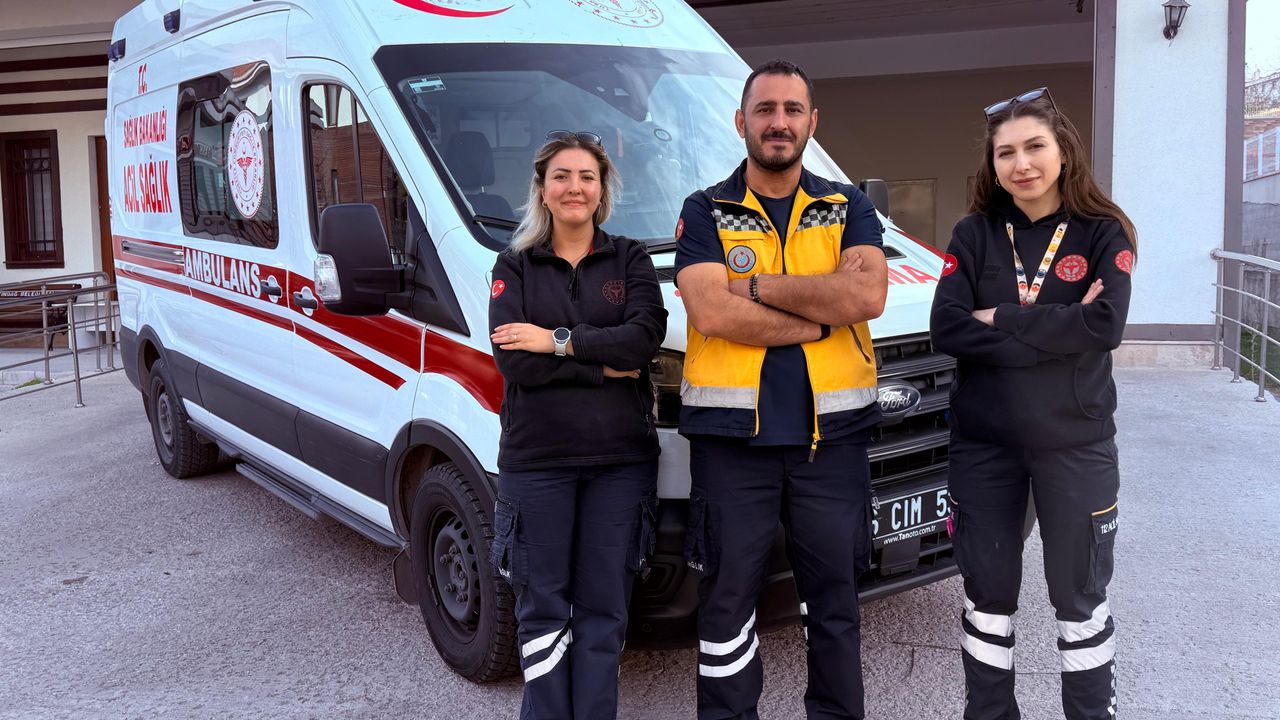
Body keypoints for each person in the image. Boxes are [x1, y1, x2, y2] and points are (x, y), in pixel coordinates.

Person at [674, 59, 889, 720]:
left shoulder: (848, 206)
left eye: (792, 109)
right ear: (741, 121)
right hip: (733, 444)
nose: (779, 122)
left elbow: (867, 295)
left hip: (833, 443)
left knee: (835, 603)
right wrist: (820, 318)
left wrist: (759, 286)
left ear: (812, 122)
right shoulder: (705, 209)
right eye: (765, 109)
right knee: (727, 603)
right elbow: (711, 311)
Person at [929, 87, 1137, 720]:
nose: (1022, 164)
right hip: (985, 447)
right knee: (987, 600)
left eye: (1035, 147)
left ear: (1063, 151)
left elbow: (1104, 326)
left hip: (1076, 445)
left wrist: (1002, 318)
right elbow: (947, 328)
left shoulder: (1104, 232)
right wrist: (1056, 334)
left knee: (1080, 600)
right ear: (992, 164)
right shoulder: (973, 234)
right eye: (1006, 153)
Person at [487, 130, 668, 720]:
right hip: (538, 463)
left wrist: (556, 340)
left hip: (620, 463)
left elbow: (643, 341)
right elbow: (515, 362)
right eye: (561, 176)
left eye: (587, 176)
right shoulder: (514, 264)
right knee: (542, 610)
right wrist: (600, 365)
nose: (575, 187)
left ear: (602, 189)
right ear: (542, 189)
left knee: (604, 609)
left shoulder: (630, 257)